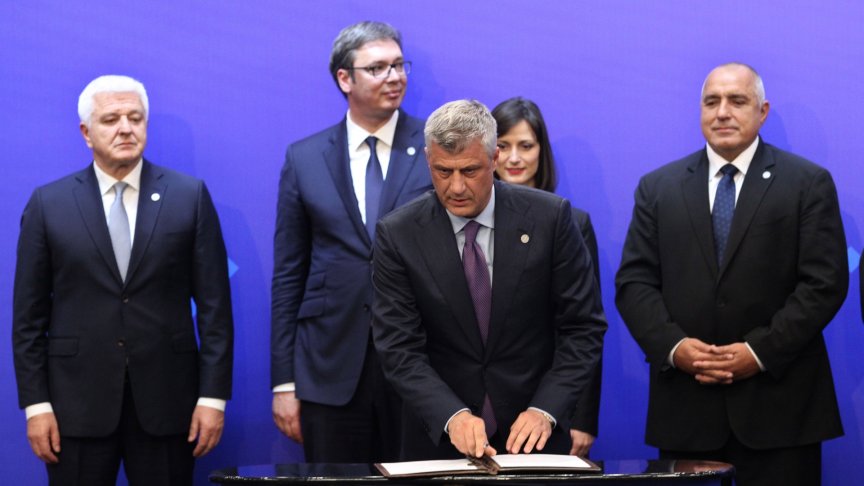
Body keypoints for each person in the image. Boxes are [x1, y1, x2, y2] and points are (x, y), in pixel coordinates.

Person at [616, 63, 847, 486]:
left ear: (763, 111)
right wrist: (676, 348)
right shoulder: (658, 187)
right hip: (686, 410)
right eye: (711, 102)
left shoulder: (807, 183)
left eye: (737, 101)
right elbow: (634, 284)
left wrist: (757, 352)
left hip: (781, 413)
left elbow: (824, 284)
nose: (722, 112)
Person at [12, 75, 234, 485]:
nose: (126, 128)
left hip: (169, 404)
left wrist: (213, 397)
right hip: (75, 407)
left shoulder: (188, 196)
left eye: (135, 118)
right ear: (86, 132)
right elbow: (28, 319)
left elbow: (215, 309)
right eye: (111, 119)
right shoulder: (49, 204)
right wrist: (36, 405)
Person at [372, 99, 606, 460]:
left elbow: (582, 328)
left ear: (493, 158)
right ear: (428, 159)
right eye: (443, 171)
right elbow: (398, 347)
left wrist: (546, 409)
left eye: (469, 170)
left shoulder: (550, 218)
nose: (456, 187)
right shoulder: (398, 234)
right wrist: (451, 415)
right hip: (438, 440)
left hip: (535, 439)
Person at [270, 21, 431, 463]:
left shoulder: (435, 148)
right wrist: (284, 382)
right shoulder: (304, 158)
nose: (394, 77)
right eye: (378, 68)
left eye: (399, 65)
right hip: (329, 367)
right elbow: (289, 275)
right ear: (345, 78)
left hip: (420, 363)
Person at [492, 97, 603, 457]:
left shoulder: (573, 222)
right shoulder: (467, 223)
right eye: (503, 145)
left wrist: (582, 418)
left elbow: (584, 326)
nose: (513, 158)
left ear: (542, 151)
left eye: (526, 146)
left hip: (553, 402)